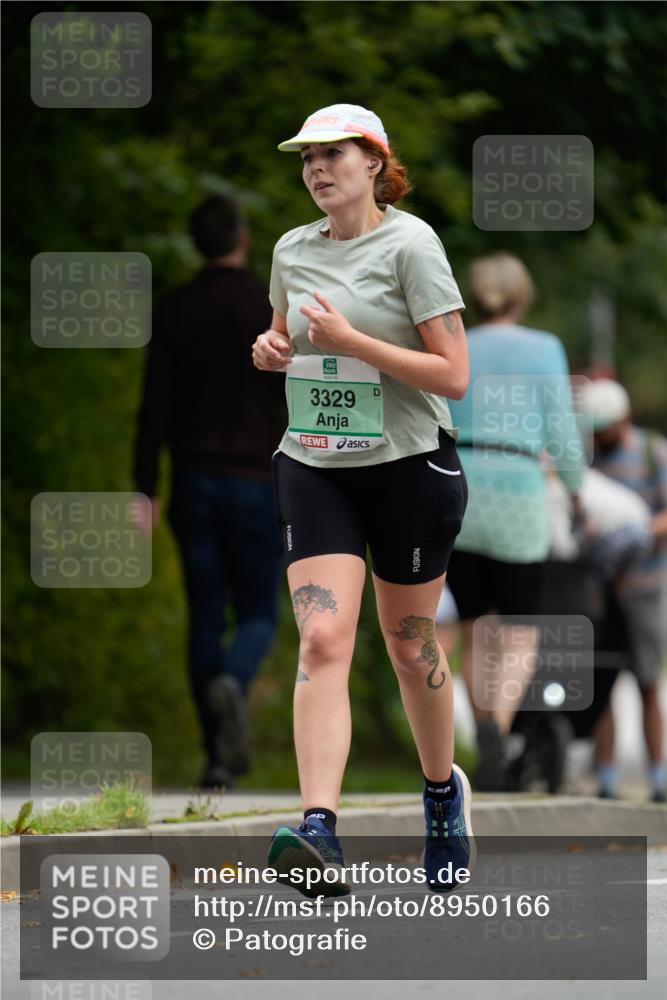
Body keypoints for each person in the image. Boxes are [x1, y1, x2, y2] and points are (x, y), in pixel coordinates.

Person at [251, 104, 473, 895]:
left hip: (408, 466)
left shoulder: (411, 245)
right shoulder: (289, 249)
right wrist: (272, 350)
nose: (315, 169)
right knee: (320, 639)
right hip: (314, 463)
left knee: (412, 648)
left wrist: (354, 344)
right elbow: (283, 343)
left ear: (374, 162)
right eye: (305, 157)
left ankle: (442, 796)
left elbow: (452, 375)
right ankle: (319, 830)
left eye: (332, 155)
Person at [133, 195, 286, 790]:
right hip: (257, 480)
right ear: (243, 238)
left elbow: (154, 407)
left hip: (192, 481)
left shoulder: (174, 308)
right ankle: (236, 680)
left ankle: (214, 757)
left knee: (203, 614)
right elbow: (291, 396)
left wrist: (145, 488)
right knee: (256, 612)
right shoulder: (268, 307)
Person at [446, 253, 585, 791]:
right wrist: (575, 493)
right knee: (521, 629)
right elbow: (563, 432)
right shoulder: (545, 348)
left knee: (477, 625)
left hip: (462, 489)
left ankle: (482, 724)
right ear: (522, 296)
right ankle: (501, 733)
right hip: (520, 493)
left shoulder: (458, 343)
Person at [579, 378, 667, 802]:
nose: (599, 436)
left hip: (646, 587)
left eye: (605, 428)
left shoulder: (653, 453)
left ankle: (658, 775)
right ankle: (607, 775)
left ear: (623, 420)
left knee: (648, 682)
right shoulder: (588, 457)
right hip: (601, 590)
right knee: (603, 684)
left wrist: (637, 534)